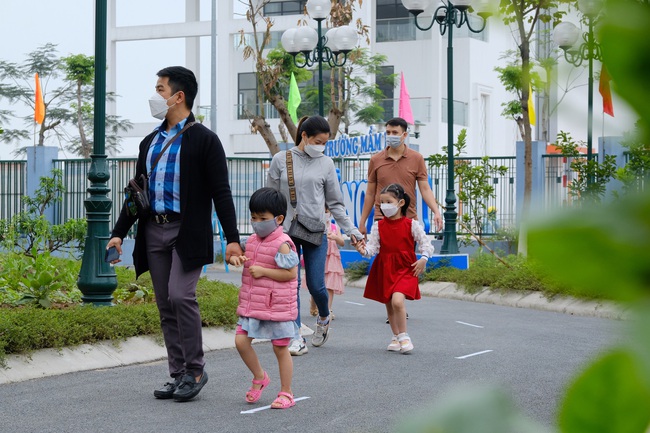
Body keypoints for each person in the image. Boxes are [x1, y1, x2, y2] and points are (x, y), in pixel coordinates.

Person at [107, 66, 243, 402]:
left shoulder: (205, 140)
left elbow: (221, 193)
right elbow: (137, 193)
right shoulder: (149, 141)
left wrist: (233, 239)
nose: (155, 96)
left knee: (181, 295)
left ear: (179, 96)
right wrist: (118, 234)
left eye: (160, 89)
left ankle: (195, 369)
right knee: (166, 303)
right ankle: (178, 373)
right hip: (154, 229)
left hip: (187, 230)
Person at [267, 115, 363, 356]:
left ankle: (323, 315)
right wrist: (266, 229)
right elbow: (269, 196)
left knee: (316, 286)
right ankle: (296, 335)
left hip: (315, 230)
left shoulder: (326, 163)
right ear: (304, 136)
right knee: (291, 283)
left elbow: (335, 202)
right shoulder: (281, 159)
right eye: (318, 141)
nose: (321, 146)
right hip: (286, 232)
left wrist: (351, 230)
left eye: (325, 143)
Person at [229, 187, 300, 410]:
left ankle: (286, 392)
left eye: (263, 218)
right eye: (253, 217)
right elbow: (233, 255)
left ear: (278, 219)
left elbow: (291, 274)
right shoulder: (250, 240)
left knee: (280, 348)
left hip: (276, 305)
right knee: (241, 341)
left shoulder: (283, 243)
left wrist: (264, 271)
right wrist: (235, 260)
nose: (257, 222)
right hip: (252, 304)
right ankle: (260, 377)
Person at [355, 183, 435, 354]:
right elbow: (372, 249)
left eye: (388, 201)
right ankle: (396, 336)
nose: (384, 206)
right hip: (384, 268)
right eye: (381, 202)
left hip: (406, 268)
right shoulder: (378, 226)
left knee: (398, 301)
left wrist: (424, 259)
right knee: (389, 305)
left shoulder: (411, 224)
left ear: (400, 203)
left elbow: (426, 244)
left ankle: (404, 336)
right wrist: (361, 249)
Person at [359, 117, 443, 237]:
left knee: (407, 255)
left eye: (394, 133)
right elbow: (370, 193)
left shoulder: (417, 158)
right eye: (388, 133)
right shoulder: (375, 160)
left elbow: (425, 189)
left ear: (404, 135)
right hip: (382, 218)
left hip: (408, 218)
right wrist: (362, 222)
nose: (390, 136)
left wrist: (436, 212)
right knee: (384, 255)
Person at [308, 206, 345, 320]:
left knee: (330, 285)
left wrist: (334, 237)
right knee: (317, 283)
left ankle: (328, 309)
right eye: (323, 211)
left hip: (331, 260)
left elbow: (342, 242)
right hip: (319, 256)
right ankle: (314, 303)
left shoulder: (334, 227)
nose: (325, 213)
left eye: (327, 211)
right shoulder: (316, 225)